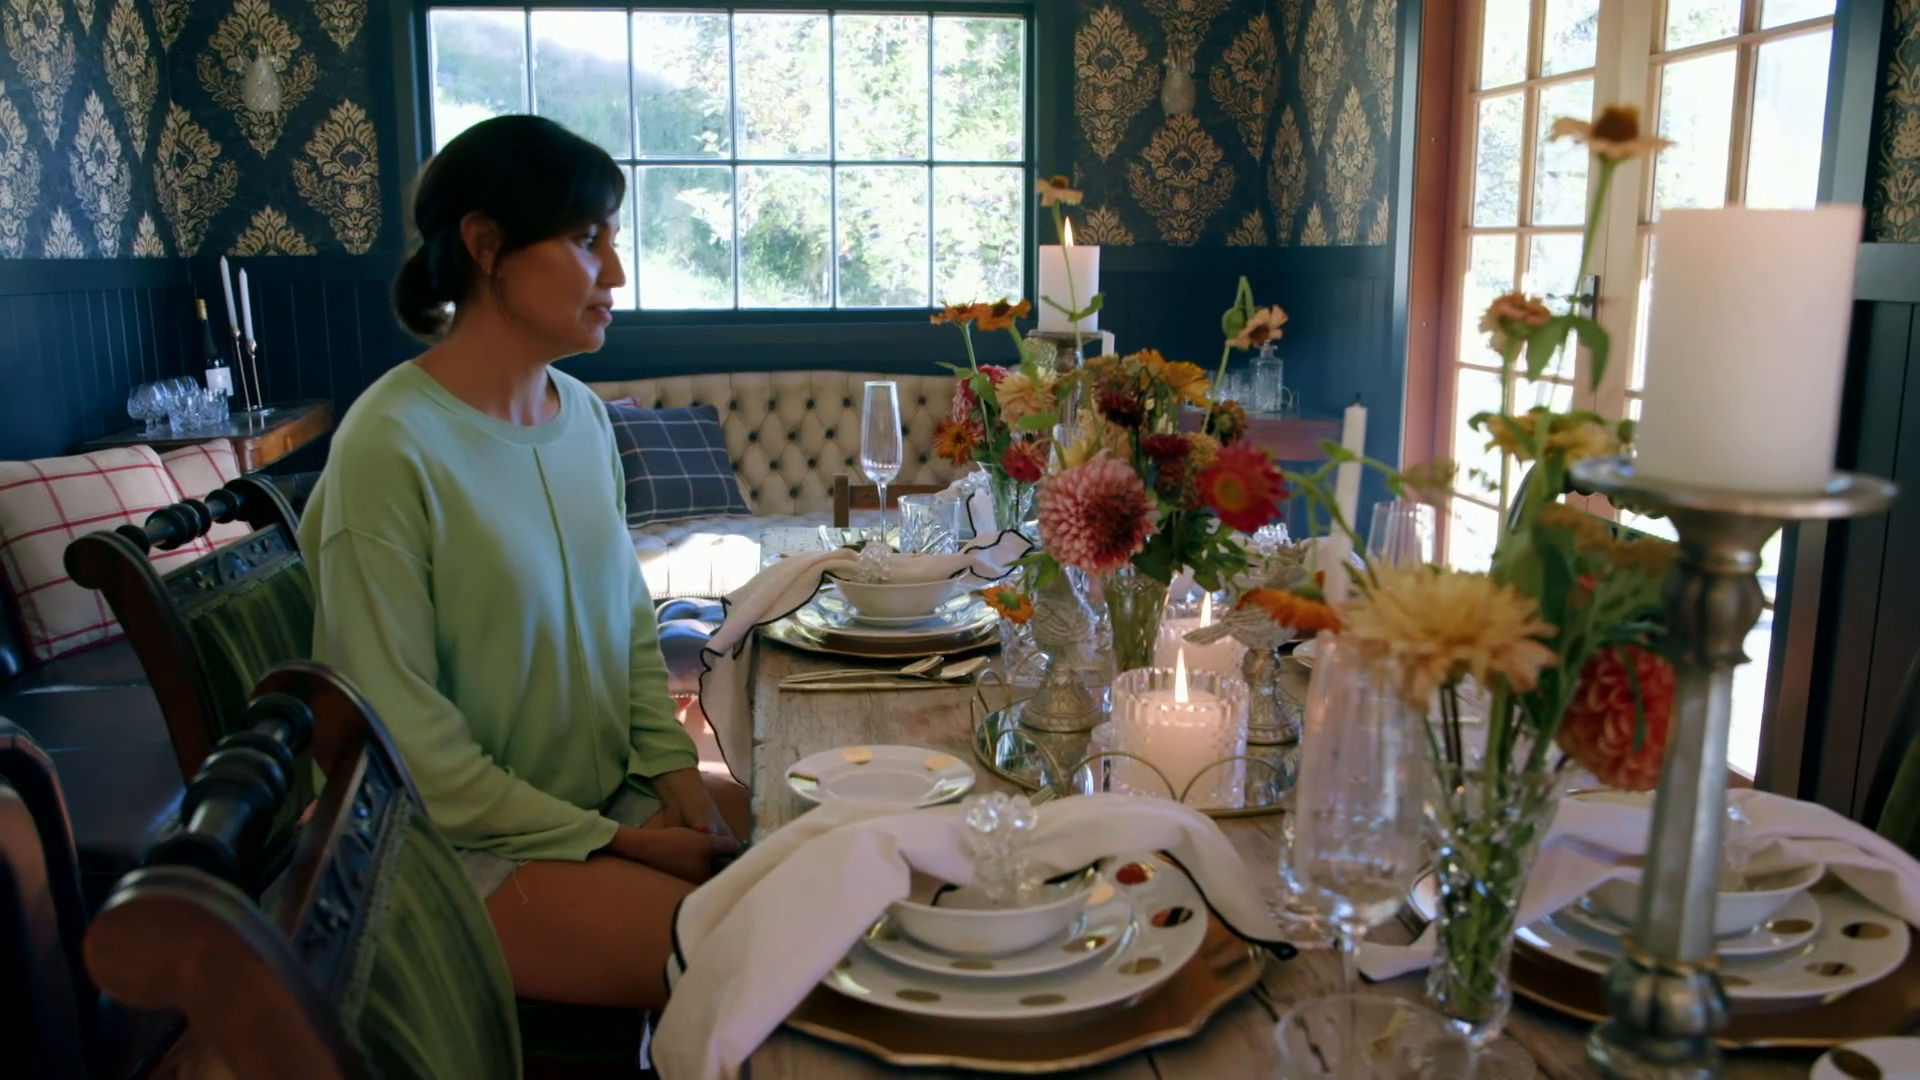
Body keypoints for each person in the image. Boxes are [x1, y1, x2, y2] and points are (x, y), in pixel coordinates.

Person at [300, 114, 747, 1010]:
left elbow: (629, 631)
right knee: (753, 960)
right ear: (486, 245)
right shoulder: (389, 445)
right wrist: (622, 843)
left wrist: (673, 778)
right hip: (449, 844)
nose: (615, 273)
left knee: (836, 855)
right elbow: (407, 749)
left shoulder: (582, 418)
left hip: (604, 798)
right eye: (586, 240)